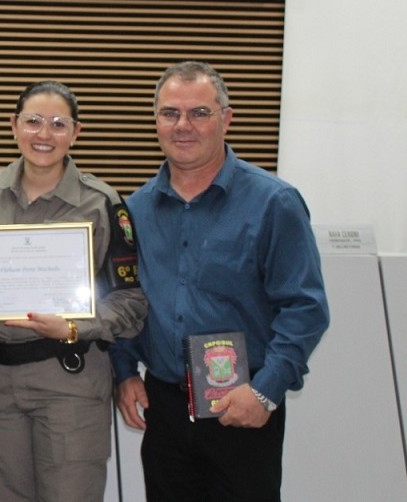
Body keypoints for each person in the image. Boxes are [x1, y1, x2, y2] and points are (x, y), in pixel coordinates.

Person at [109, 61, 330, 501]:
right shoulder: (133, 210)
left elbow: (305, 308)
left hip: (242, 403)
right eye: (170, 113)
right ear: (156, 121)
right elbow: (125, 296)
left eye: (200, 113)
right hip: (165, 408)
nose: (183, 126)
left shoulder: (274, 203)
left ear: (226, 119)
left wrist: (266, 393)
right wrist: (123, 371)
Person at [0, 80, 147, 501]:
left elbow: (131, 304)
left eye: (59, 124)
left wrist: (74, 327)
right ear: (13, 126)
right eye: (33, 122)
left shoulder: (102, 203)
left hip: (68, 378)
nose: (44, 135)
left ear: (76, 133)